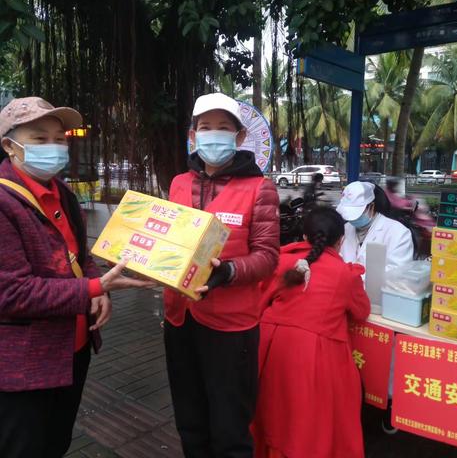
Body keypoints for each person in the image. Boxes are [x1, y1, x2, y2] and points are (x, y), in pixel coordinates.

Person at [0, 97, 155, 458]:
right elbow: (10, 293)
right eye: (39, 139)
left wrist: (96, 287)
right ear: (9, 145)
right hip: (26, 365)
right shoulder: (5, 203)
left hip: (73, 350)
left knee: (57, 443)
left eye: (60, 138)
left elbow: (80, 256)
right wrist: (96, 287)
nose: (54, 147)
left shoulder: (63, 192)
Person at [163, 92, 280, 458]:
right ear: (193, 135)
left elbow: (267, 257)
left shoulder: (260, 189)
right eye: (205, 127)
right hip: (180, 319)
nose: (214, 135)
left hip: (231, 326)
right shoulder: (179, 183)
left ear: (239, 137)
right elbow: (168, 240)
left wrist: (228, 271)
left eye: (223, 128)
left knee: (230, 426)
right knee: (190, 418)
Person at [252, 206, 370, 458]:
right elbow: (361, 311)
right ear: (340, 241)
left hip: (271, 348)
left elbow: (260, 300)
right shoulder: (344, 274)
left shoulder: (282, 261)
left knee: (272, 413)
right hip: (313, 354)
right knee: (307, 424)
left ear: (304, 237)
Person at [337, 181, 414, 271]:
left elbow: (397, 272)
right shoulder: (344, 229)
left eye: (357, 213)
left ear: (371, 206)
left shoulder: (399, 233)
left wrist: (355, 278)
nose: (352, 220)